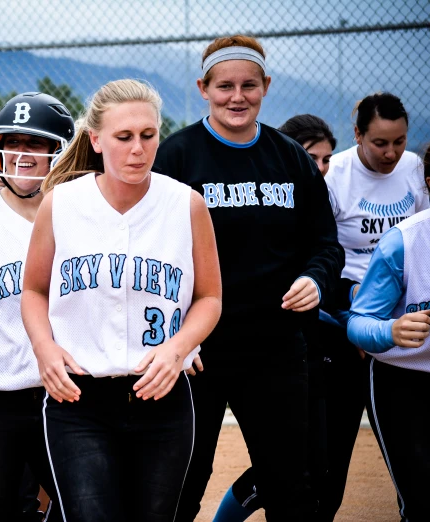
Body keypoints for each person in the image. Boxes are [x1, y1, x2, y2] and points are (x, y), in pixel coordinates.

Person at [152, 35, 344, 521]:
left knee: (290, 483)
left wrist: (315, 280)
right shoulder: (177, 157)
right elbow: (149, 253)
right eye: (224, 86)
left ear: (266, 86)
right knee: (181, 482)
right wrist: (175, 339)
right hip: (198, 352)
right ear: (203, 88)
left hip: (275, 347)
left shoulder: (291, 158)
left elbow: (325, 245)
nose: (237, 96)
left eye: (249, 85)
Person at [21, 79, 222, 522]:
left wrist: (177, 348)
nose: (138, 149)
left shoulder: (186, 204)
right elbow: (33, 290)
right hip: (79, 400)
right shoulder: (61, 204)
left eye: (148, 136)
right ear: (95, 139)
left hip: (162, 395)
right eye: (123, 137)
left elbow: (209, 298)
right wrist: (44, 348)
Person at [0, 92, 74, 522]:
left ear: (58, 151)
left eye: (35, 144)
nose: (21, 154)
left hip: (64, 392)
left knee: (83, 504)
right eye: (12, 141)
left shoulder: (78, 214)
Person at [212, 113, 340, 521]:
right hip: (215, 344)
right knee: (193, 473)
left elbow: (326, 248)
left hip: (294, 344)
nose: (319, 167)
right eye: (310, 156)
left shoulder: (309, 189)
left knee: (301, 473)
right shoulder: (192, 159)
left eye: (326, 159)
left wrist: (316, 278)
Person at [318, 92, 428, 520]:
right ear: (358, 134)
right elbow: (324, 254)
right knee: (332, 454)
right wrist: (361, 324)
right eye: (380, 142)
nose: (391, 153)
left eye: (400, 142)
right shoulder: (335, 178)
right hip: (346, 304)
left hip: (406, 307)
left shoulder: (415, 170)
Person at [347, 205, 430, 521]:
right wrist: (390, 329)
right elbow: (358, 323)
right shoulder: (403, 242)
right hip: (403, 379)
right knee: (421, 502)